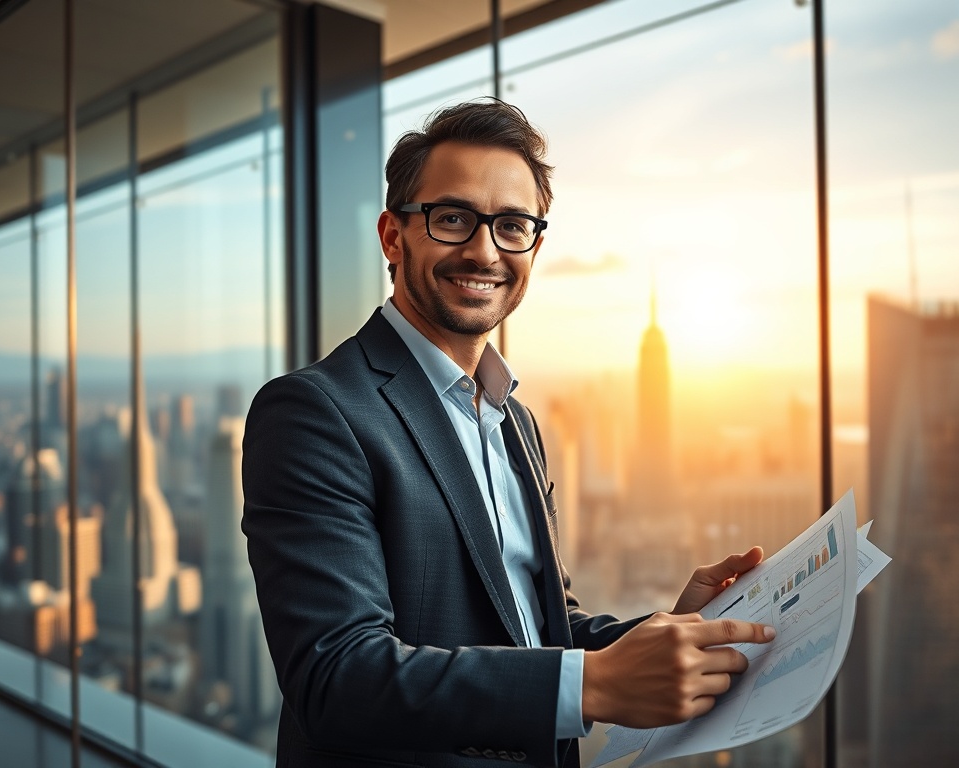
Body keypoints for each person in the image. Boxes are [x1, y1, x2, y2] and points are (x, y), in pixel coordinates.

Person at [241, 99, 775, 768]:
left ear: (534, 248)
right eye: (452, 218)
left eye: (512, 225)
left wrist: (676, 632)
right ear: (393, 237)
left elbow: (537, 626)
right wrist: (594, 685)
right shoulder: (314, 413)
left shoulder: (513, 419)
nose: (484, 250)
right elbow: (337, 677)